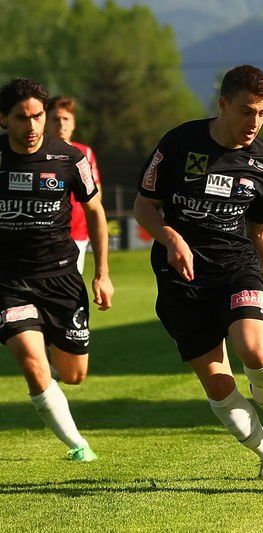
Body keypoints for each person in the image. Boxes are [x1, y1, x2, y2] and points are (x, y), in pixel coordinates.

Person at [133, 65, 263, 481]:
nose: (254, 122)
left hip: (236, 266)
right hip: (181, 277)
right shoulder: (180, 143)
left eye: (262, 113)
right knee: (217, 382)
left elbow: (261, 233)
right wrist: (171, 238)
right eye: (246, 111)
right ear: (223, 104)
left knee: (255, 351)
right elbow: (143, 207)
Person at [0, 78, 113, 461]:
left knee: (73, 375)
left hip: (61, 278)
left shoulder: (70, 158)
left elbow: (95, 211)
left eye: (38, 116)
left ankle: (45, 333)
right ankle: (78, 445)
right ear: (3, 119)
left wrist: (102, 273)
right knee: (32, 363)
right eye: (21, 118)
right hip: (9, 282)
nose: (32, 126)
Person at [45, 96, 103, 274]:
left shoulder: (84, 152)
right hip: (44, 233)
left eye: (66, 119)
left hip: (77, 233)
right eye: (55, 119)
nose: (61, 124)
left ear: (73, 123)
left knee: (70, 283)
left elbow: (96, 196)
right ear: (46, 122)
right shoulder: (38, 153)